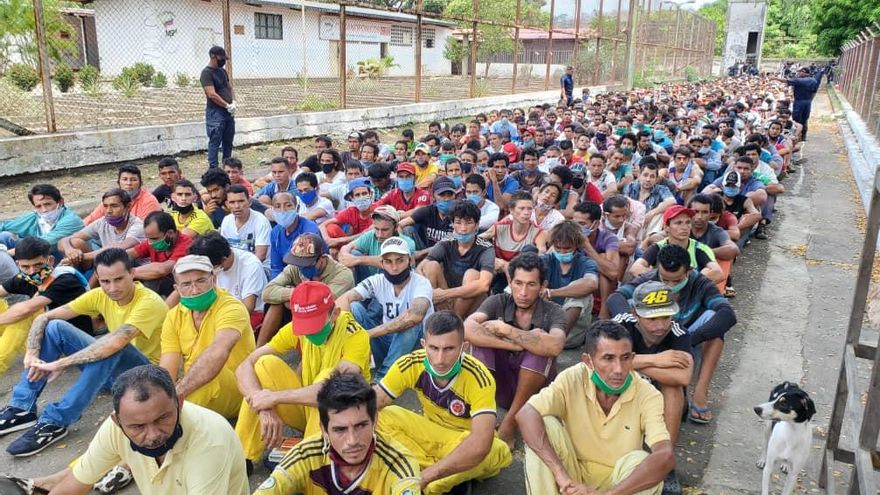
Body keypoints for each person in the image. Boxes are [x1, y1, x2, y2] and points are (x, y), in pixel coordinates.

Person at [0, 248, 167, 457]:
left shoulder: (149, 302)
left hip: (147, 378)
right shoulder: (99, 295)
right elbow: (43, 318)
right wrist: (31, 353)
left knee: (112, 344)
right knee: (55, 327)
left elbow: (115, 343)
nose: (112, 288)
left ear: (132, 274)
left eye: (119, 279)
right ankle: (21, 407)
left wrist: (61, 364)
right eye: (105, 281)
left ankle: (55, 421)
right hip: (113, 373)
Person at [32, 365, 248, 495]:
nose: (153, 435)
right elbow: (73, 486)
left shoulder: (210, 442)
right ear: (118, 421)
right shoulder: (114, 429)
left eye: (162, 418)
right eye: (137, 427)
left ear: (179, 403)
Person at [516, 319, 673, 495]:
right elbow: (525, 413)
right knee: (543, 424)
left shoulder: (648, 394)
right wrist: (561, 476)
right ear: (588, 361)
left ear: (633, 358)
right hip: (571, 478)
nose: (619, 369)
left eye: (625, 358)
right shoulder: (573, 378)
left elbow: (665, 455)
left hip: (619, 485)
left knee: (642, 462)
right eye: (608, 358)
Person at [374, 310, 512, 494]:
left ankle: (422, 477)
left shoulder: (479, 377)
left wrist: (428, 475)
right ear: (424, 345)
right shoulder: (409, 364)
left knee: (494, 449)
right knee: (382, 415)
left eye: (449, 349)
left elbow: (480, 442)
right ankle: (448, 475)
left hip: (464, 442)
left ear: (464, 347)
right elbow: (371, 403)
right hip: (431, 434)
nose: (440, 360)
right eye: (433, 348)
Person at [235, 282, 371, 466]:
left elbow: (332, 391)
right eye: (304, 326)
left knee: (329, 377)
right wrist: (261, 404)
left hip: (345, 416)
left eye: (314, 325)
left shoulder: (355, 336)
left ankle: (310, 461)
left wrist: (273, 397)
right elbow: (245, 365)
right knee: (264, 364)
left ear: (335, 314)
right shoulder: (298, 328)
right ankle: (242, 458)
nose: (308, 332)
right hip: (307, 409)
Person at [252, 371, 420, 495]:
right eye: (340, 430)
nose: (352, 440)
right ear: (324, 429)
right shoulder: (307, 455)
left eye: (361, 426)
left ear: (375, 420)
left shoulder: (399, 464)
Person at [464, 252, 567, 447]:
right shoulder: (499, 301)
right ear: (510, 282)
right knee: (479, 344)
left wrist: (506, 330)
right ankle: (483, 411)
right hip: (500, 387)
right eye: (518, 283)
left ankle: (511, 422)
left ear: (543, 286)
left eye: (531, 284)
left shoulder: (553, 311)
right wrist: (516, 343)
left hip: (535, 395)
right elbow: (467, 328)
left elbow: (554, 345)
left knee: (540, 351)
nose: (523, 292)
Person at [158, 255, 256, 419]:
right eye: (187, 284)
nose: (195, 290)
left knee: (208, 376)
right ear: (177, 288)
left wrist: (177, 393)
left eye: (201, 281)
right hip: (196, 389)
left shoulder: (231, 307)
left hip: (239, 389)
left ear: (214, 279)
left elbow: (218, 353)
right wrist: (160, 397)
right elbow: (168, 367)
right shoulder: (173, 316)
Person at [337, 236, 433, 381]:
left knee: (411, 324)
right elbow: (344, 299)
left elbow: (414, 317)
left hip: (414, 347)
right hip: (385, 341)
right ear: (381, 263)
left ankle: (381, 380)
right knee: (354, 307)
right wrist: (353, 334)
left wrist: (367, 334)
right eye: (388, 261)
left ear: (410, 260)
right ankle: (357, 359)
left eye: (400, 260)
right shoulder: (378, 281)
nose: (394, 268)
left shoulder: (421, 283)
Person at [0, 237, 90, 375]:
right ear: (18, 264)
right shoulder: (25, 277)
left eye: (37, 265)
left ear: (50, 261)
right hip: (40, 337)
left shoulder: (65, 280)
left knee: (23, 316)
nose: (32, 271)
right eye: (25, 267)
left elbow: (25, 310)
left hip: (72, 343)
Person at [260, 233, 353, 345]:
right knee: (275, 304)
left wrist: (293, 299)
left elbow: (321, 305)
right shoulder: (296, 266)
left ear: (322, 259)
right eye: (299, 263)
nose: (302, 267)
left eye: (307, 264)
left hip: (329, 321)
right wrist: (296, 293)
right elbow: (267, 292)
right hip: (300, 312)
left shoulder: (343, 275)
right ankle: (259, 349)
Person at [417, 201, 494, 318]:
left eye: (468, 223)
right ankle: (439, 316)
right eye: (458, 223)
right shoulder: (446, 242)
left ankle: (453, 320)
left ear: (477, 225)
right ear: (452, 224)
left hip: (473, 304)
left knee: (472, 274)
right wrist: (435, 294)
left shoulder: (486, 248)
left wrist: (445, 294)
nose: (463, 229)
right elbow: (420, 269)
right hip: (447, 300)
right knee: (431, 266)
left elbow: (484, 285)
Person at [631, 205, 724, 284]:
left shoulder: (700, 248)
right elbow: (635, 268)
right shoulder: (659, 247)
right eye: (678, 223)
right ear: (666, 227)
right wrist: (665, 282)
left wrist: (683, 283)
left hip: (689, 296)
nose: (684, 227)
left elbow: (718, 273)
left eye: (688, 222)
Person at [542, 221, 599, 349]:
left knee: (581, 293)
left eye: (567, 248)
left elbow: (591, 284)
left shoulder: (586, 263)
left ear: (576, 245)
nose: (562, 252)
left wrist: (552, 292)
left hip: (571, 334)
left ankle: (556, 341)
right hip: (543, 325)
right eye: (558, 248)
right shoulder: (546, 260)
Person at [188, 232, 267, 325]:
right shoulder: (211, 261)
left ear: (224, 260)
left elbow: (248, 307)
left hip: (247, 313)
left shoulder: (250, 265)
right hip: (218, 309)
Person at [58, 189, 145, 272]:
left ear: (128, 207)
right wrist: (69, 250)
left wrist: (81, 256)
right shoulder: (102, 222)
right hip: (107, 265)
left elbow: (120, 247)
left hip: (133, 270)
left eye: (114, 206)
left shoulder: (137, 225)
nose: (108, 211)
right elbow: (65, 240)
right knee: (74, 242)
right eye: (105, 206)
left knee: (112, 260)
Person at [0, 184, 83, 255]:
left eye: (48, 204)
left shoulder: (71, 220)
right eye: (39, 206)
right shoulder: (35, 217)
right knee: (5, 236)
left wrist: (8, 253)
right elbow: (4, 226)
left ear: (60, 202)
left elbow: (45, 243)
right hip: (36, 254)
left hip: (60, 257)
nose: (44, 210)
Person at [127, 211, 193, 297]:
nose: (150, 243)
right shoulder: (153, 240)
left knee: (153, 277)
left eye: (154, 238)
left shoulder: (186, 244)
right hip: (163, 282)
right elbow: (129, 254)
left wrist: (125, 273)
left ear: (170, 233)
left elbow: (163, 270)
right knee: (123, 261)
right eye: (148, 239)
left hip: (180, 286)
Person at [83, 164, 162, 225]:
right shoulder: (112, 198)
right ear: (118, 183)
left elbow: (145, 230)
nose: (129, 183)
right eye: (125, 179)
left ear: (140, 183)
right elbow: (92, 219)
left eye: (133, 180)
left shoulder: (149, 201)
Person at [267, 191, 321, 278]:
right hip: (287, 276)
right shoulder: (275, 232)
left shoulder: (309, 230)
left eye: (288, 205)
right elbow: (276, 267)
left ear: (297, 208)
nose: (283, 210)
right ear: (273, 210)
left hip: (311, 274)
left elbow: (312, 266)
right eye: (278, 206)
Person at [201, 45, 236, 168]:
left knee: (228, 141)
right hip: (215, 113)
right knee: (215, 142)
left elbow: (229, 87)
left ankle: (228, 167)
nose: (223, 61)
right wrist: (227, 105)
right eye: (221, 58)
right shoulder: (206, 73)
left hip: (228, 112)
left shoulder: (222, 71)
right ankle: (213, 169)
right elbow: (211, 94)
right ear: (213, 56)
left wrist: (233, 102)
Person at [218, 184, 271, 264]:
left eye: (241, 201)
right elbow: (224, 250)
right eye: (232, 202)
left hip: (259, 266)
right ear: (227, 204)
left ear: (249, 202)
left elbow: (261, 256)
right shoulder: (226, 220)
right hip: (234, 266)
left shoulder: (261, 221)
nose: (237, 206)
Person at [200, 168, 268, 229]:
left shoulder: (244, 201)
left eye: (216, 190)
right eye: (209, 191)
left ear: (227, 187)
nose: (213, 195)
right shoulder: (213, 207)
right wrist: (206, 215)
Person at [320, 177, 376, 249]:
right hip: (353, 246)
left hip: (371, 247)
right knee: (331, 228)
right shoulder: (351, 211)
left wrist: (338, 241)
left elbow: (366, 235)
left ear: (370, 194)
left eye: (364, 193)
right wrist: (328, 240)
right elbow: (322, 225)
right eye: (357, 195)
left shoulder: (378, 211)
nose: (362, 197)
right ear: (352, 198)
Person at [774, 67, 820, 141]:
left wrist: (775, 78)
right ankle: (803, 135)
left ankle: (797, 135)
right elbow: (814, 92)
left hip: (799, 101)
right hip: (808, 101)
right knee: (805, 119)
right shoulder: (814, 81)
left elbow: (786, 81)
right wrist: (810, 100)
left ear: (804, 72)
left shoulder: (799, 80)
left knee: (796, 118)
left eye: (800, 72)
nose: (798, 73)